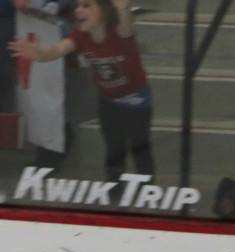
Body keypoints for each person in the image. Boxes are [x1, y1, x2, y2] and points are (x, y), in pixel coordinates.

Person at [9, 0, 153, 180]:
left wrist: (122, 8)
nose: (78, 10)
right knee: (114, 147)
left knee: (140, 148)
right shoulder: (80, 36)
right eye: (77, 6)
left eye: (86, 5)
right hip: (108, 101)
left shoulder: (118, 31)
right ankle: (115, 187)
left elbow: (126, 25)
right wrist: (39, 54)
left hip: (137, 101)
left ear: (104, 10)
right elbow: (57, 50)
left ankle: (147, 188)